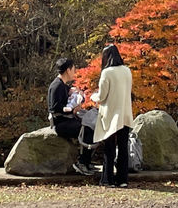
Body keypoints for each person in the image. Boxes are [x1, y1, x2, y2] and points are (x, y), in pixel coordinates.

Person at [94, 43, 134, 187]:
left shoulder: (107, 73)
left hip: (111, 115)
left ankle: (107, 179)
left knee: (109, 148)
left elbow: (102, 96)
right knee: (123, 148)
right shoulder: (127, 71)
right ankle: (123, 179)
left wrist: (93, 97)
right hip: (125, 114)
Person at [47, 56, 95, 175]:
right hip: (60, 123)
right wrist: (72, 109)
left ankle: (86, 161)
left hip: (66, 120)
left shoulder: (62, 84)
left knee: (91, 126)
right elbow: (54, 108)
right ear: (68, 70)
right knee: (87, 129)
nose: (75, 71)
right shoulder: (56, 86)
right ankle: (82, 162)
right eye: (73, 69)